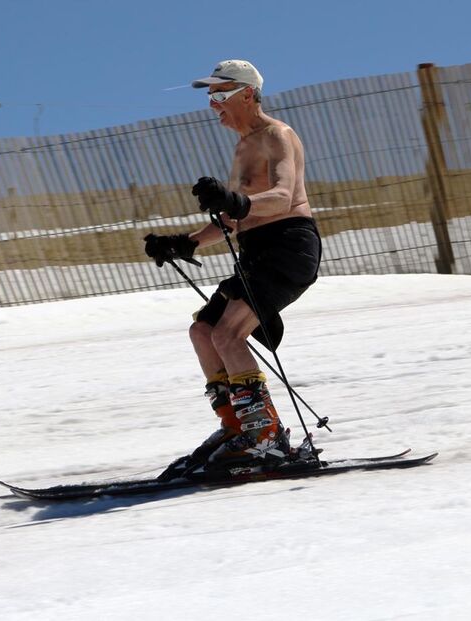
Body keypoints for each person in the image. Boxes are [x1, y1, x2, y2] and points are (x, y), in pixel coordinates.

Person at [143, 60, 322, 480]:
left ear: (247, 94)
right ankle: (237, 426)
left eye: (220, 95)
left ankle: (265, 436)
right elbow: (235, 218)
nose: (212, 105)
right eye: (210, 97)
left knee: (228, 334)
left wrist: (235, 201)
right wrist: (184, 243)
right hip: (259, 251)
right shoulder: (242, 147)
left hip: (288, 246)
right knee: (203, 331)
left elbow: (281, 197)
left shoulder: (277, 135)